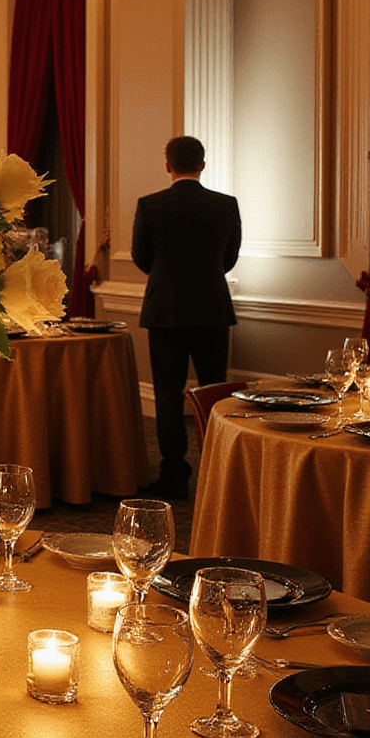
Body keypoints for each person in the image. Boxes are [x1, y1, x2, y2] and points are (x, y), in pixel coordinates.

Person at [131, 135, 242, 502]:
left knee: (167, 394)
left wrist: (168, 276)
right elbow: (229, 259)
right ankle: (218, 469)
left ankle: (174, 476)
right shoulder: (226, 205)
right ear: (203, 165)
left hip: (165, 311)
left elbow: (141, 257)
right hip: (212, 309)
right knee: (213, 393)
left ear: (168, 166)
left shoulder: (150, 206)